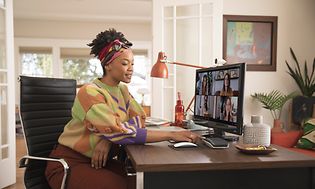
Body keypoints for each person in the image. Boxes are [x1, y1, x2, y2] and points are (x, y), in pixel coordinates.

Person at [45, 28, 199, 189]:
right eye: (125, 63)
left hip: (100, 162)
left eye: (132, 63)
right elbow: (118, 131)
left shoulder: (123, 91)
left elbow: (139, 119)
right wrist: (171, 136)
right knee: (123, 185)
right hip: (68, 164)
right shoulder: (89, 92)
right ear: (108, 65)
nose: (131, 68)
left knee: (148, 180)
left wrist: (107, 138)